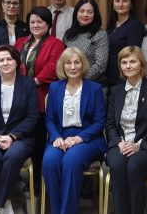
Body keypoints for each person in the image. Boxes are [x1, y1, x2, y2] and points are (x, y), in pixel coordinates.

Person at [0, 45, 40, 214]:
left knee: (12, 156)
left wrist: (12, 136)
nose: (5, 63)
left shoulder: (28, 84)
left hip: (20, 136)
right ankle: (5, 200)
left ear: (16, 61)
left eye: (9, 59)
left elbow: (32, 117)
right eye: (1, 60)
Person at [105, 46, 147, 214]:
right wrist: (119, 143)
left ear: (142, 65)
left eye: (132, 61)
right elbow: (110, 124)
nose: (128, 66)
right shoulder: (115, 91)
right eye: (124, 62)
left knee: (134, 165)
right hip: (120, 144)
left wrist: (138, 145)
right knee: (117, 164)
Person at [42, 47, 106, 214]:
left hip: (88, 138)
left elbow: (100, 122)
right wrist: (55, 137)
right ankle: (57, 210)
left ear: (83, 64)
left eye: (76, 62)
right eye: (68, 63)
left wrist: (79, 138)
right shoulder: (55, 88)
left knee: (71, 160)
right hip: (61, 136)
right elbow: (49, 119)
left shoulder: (95, 88)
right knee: (49, 161)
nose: (72, 67)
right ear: (62, 66)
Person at [15, 6, 65, 188]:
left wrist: (32, 82)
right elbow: (12, 64)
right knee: (21, 138)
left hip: (41, 98)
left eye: (40, 22)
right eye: (32, 22)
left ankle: (37, 180)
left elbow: (53, 68)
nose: (35, 25)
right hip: (19, 98)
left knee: (38, 140)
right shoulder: (20, 42)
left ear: (48, 24)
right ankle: (18, 176)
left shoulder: (56, 44)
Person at [103, 0, 146, 88]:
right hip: (108, 79)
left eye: (125, 1)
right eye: (117, 1)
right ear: (113, 5)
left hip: (123, 80)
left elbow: (133, 55)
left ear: (131, 5)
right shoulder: (111, 26)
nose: (121, 4)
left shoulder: (134, 25)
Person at [62, 0, 108, 81]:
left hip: (92, 83)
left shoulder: (100, 34)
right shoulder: (68, 34)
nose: (85, 15)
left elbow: (100, 66)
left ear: (95, 14)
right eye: (82, 11)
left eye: (89, 12)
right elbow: (63, 61)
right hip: (70, 83)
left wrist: (78, 79)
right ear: (76, 13)